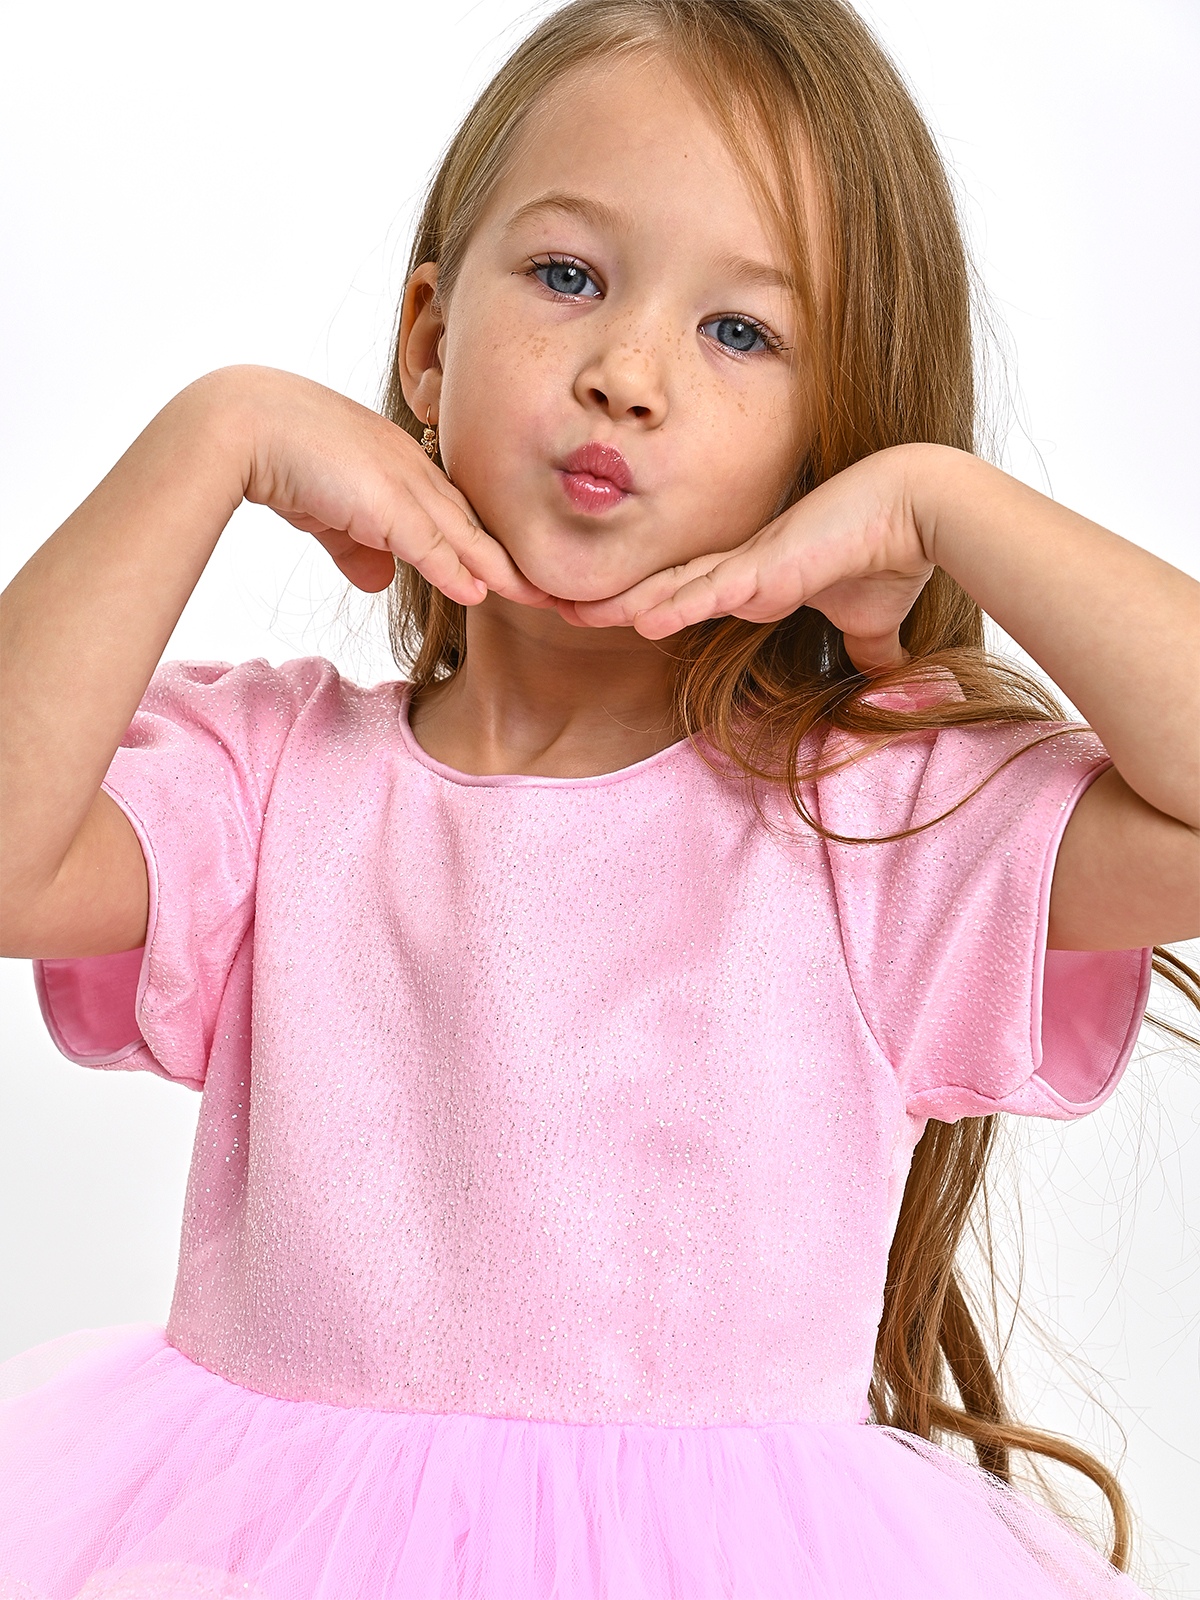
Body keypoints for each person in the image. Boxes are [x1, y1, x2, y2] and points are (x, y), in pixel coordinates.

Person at [0, 0, 1196, 1594]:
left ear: (826, 447)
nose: (626, 373)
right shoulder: (275, 784)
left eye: (741, 332)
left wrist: (944, 503)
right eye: (569, 275)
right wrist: (213, 434)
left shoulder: (872, 826)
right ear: (431, 340)